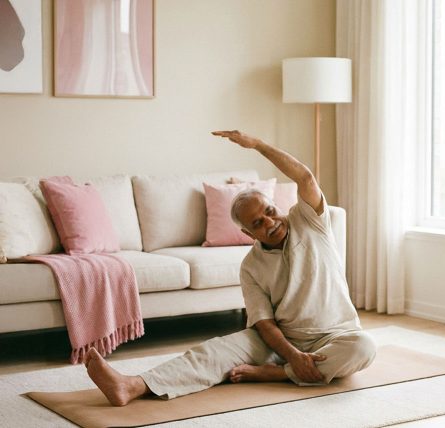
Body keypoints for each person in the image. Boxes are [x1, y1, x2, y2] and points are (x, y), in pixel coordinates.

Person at [84, 130, 376, 406]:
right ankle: (132, 385)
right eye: (258, 223)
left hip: (336, 335)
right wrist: (293, 354)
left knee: (364, 348)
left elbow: (305, 176)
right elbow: (264, 323)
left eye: (270, 212)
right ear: (249, 234)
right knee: (211, 353)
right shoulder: (251, 266)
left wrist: (258, 145)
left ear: (277, 206)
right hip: (281, 342)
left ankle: (278, 374)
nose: (270, 222)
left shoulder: (309, 221)